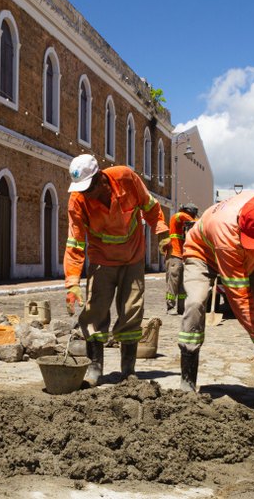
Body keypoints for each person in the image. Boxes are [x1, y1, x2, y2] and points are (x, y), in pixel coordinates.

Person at [178, 191, 254, 398]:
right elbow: (240, 299)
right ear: (241, 224)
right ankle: (187, 385)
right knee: (195, 304)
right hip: (203, 252)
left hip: (246, 259)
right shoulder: (225, 230)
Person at [64, 154, 171, 387]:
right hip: (101, 260)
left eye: (88, 188)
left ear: (101, 178)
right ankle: (94, 368)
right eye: (81, 189)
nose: (85, 194)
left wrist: (162, 233)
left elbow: (150, 206)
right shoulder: (78, 200)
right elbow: (75, 242)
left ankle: (128, 371)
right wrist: (72, 282)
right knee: (95, 310)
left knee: (132, 310)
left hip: (133, 256)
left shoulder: (125, 178)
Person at [165, 203, 199, 314]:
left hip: (182, 257)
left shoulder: (183, 226)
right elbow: (183, 216)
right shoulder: (177, 217)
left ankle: (181, 308)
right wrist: (198, 222)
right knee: (173, 281)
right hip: (174, 255)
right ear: (187, 211)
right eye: (192, 215)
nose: (192, 217)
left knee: (183, 284)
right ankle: (170, 307)